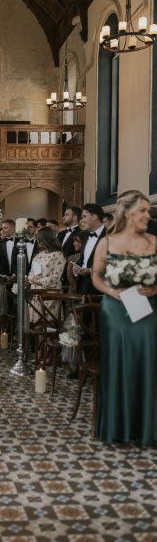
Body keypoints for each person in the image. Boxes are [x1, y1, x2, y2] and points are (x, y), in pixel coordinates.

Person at [92, 190, 157, 446]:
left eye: (148, 210)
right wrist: (113, 292)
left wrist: (153, 289)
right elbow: (97, 275)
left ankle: (147, 427)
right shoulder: (107, 242)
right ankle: (117, 427)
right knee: (118, 359)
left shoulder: (154, 241)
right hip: (116, 308)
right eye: (142, 210)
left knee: (148, 359)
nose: (147, 215)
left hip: (148, 307)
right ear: (128, 212)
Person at [27, 226, 66, 324]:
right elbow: (31, 272)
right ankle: (39, 340)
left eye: (40, 239)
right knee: (37, 324)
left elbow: (56, 277)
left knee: (49, 323)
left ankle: (49, 339)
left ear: (46, 239)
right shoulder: (38, 255)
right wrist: (32, 278)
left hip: (50, 293)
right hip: (36, 293)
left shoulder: (58, 255)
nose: (38, 242)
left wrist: (40, 281)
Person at [74, 203, 106, 295]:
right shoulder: (85, 236)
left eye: (84, 216)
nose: (82, 221)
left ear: (94, 216)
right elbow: (84, 260)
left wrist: (91, 271)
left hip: (99, 289)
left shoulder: (109, 236)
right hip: (82, 286)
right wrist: (77, 269)